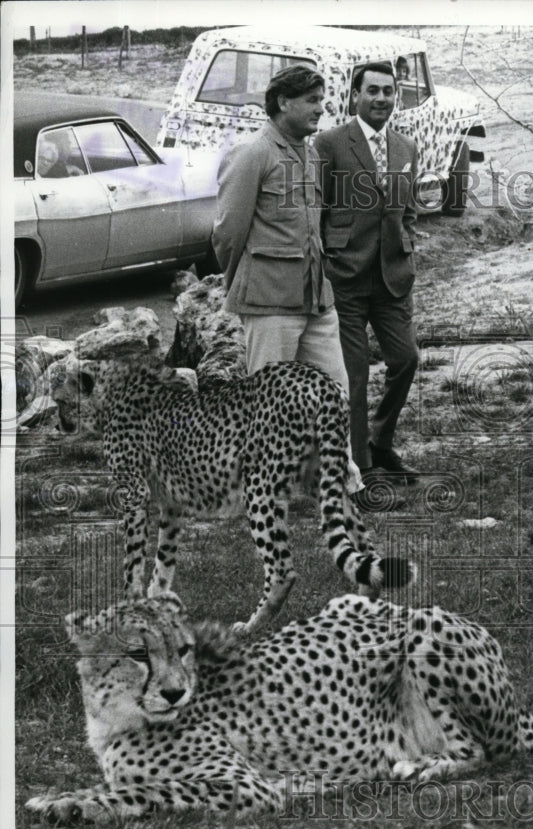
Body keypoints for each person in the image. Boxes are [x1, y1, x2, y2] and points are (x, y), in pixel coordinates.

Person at [212, 64, 373, 505]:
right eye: (312, 100)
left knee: (334, 393)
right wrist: (244, 283)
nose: (321, 109)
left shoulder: (310, 155)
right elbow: (228, 234)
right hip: (270, 303)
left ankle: (343, 485)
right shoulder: (253, 154)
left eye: (322, 100)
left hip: (316, 299)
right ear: (283, 102)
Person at [313, 61, 420, 491]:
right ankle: (361, 464)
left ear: (397, 97)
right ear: (354, 96)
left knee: (406, 359)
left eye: (388, 91)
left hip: (392, 278)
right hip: (345, 278)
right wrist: (326, 262)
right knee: (353, 375)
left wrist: (406, 247)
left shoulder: (406, 147)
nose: (381, 99)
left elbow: (409, 210)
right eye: (372, 90)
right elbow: (316, 209)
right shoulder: (329, 144)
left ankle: (382, 441)